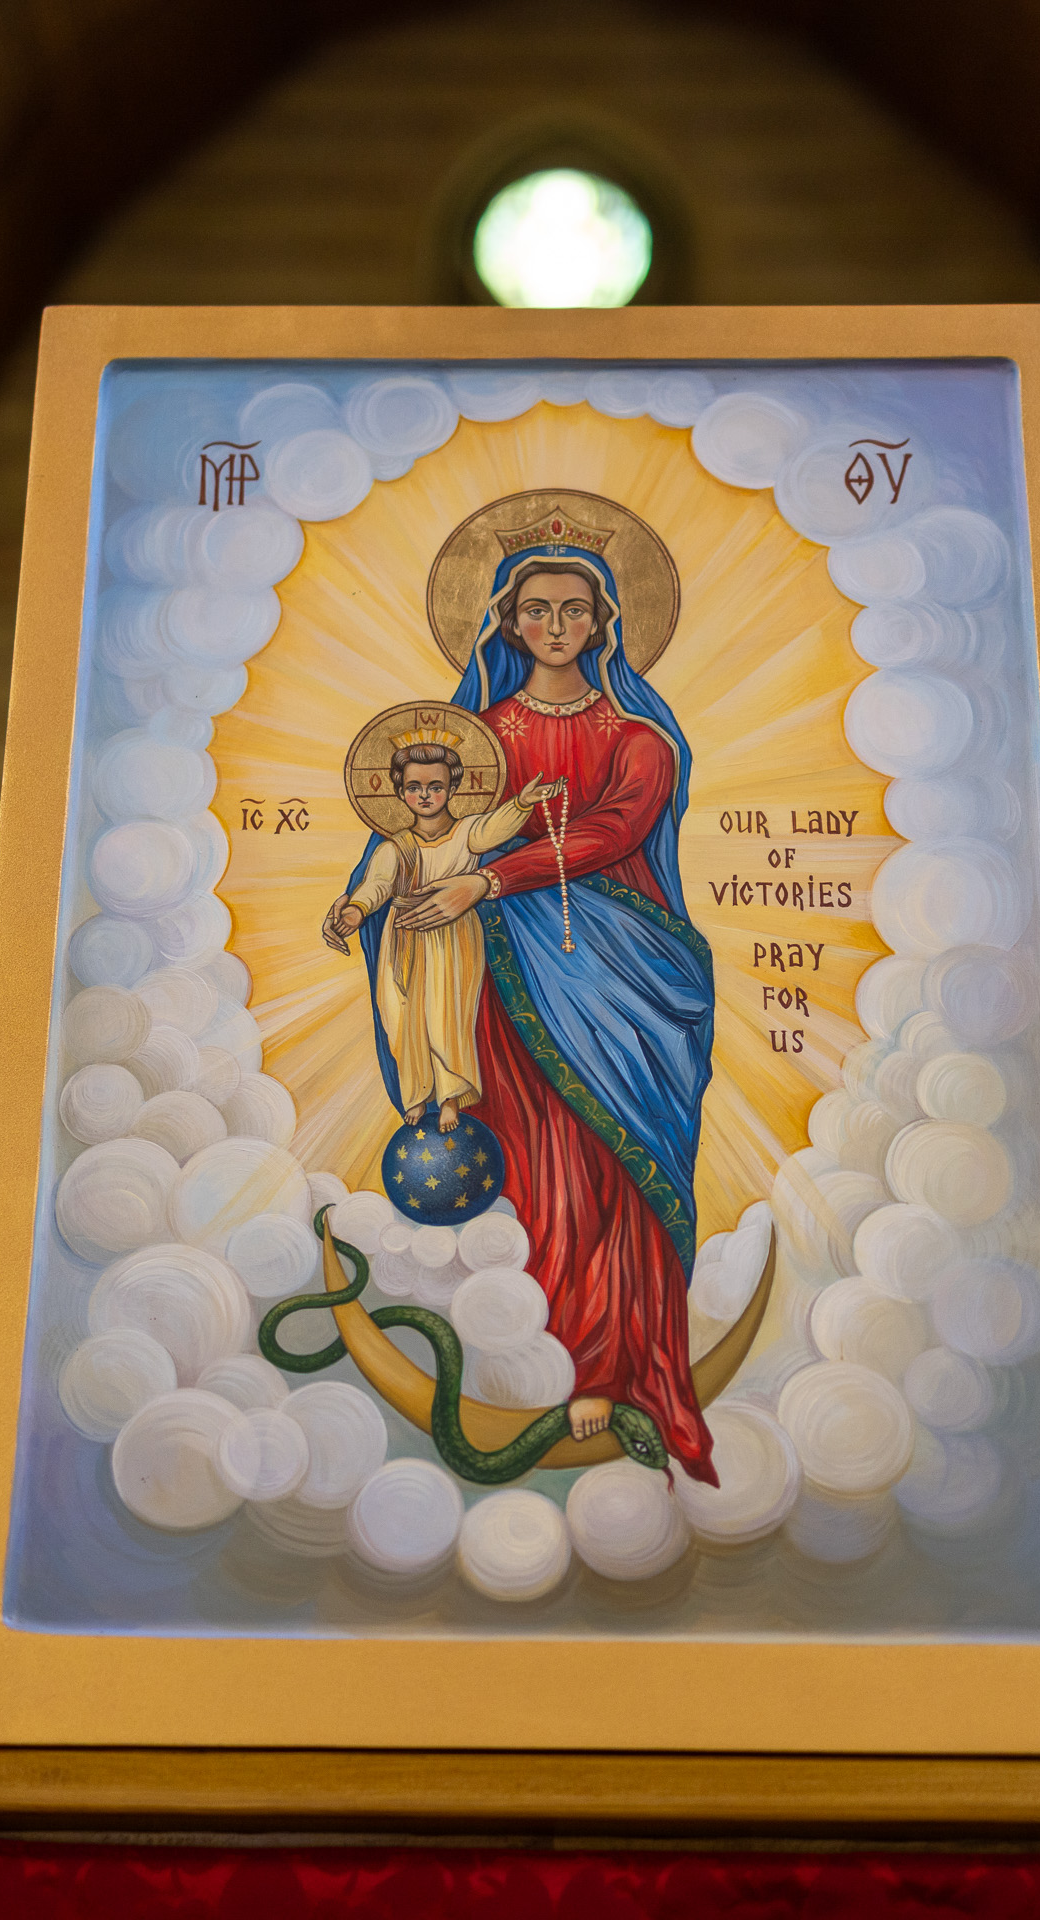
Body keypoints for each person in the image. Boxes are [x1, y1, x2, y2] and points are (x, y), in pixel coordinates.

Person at [345, 529, 719, 1477]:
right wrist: (376, 897)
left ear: (604, 624)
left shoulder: (640, 741)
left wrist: (488, 881)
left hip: (623, 973)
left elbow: (613, 828)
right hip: (498, 975)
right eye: (536, 609)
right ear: (506, 622)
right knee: (537, 1160)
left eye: (575, 609)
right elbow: (417, 831)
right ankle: (537, 1350)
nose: (556, 625)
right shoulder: (475, 740)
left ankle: (614, 1360)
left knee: (610, 1160)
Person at [320, 733, 562, 1133]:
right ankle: (416, 1095)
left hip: (452, 938)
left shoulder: (467, 831)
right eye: (414, 787)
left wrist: (522, 803)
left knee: (444, 1016)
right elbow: (376, 885)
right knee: (398, 1017)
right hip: (403, 939)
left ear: (451, 788)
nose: (426, 795)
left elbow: (494, 829)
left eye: (436, 786)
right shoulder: (394, 847)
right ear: (400, 793)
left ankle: (449, 1098)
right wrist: (356, 911)